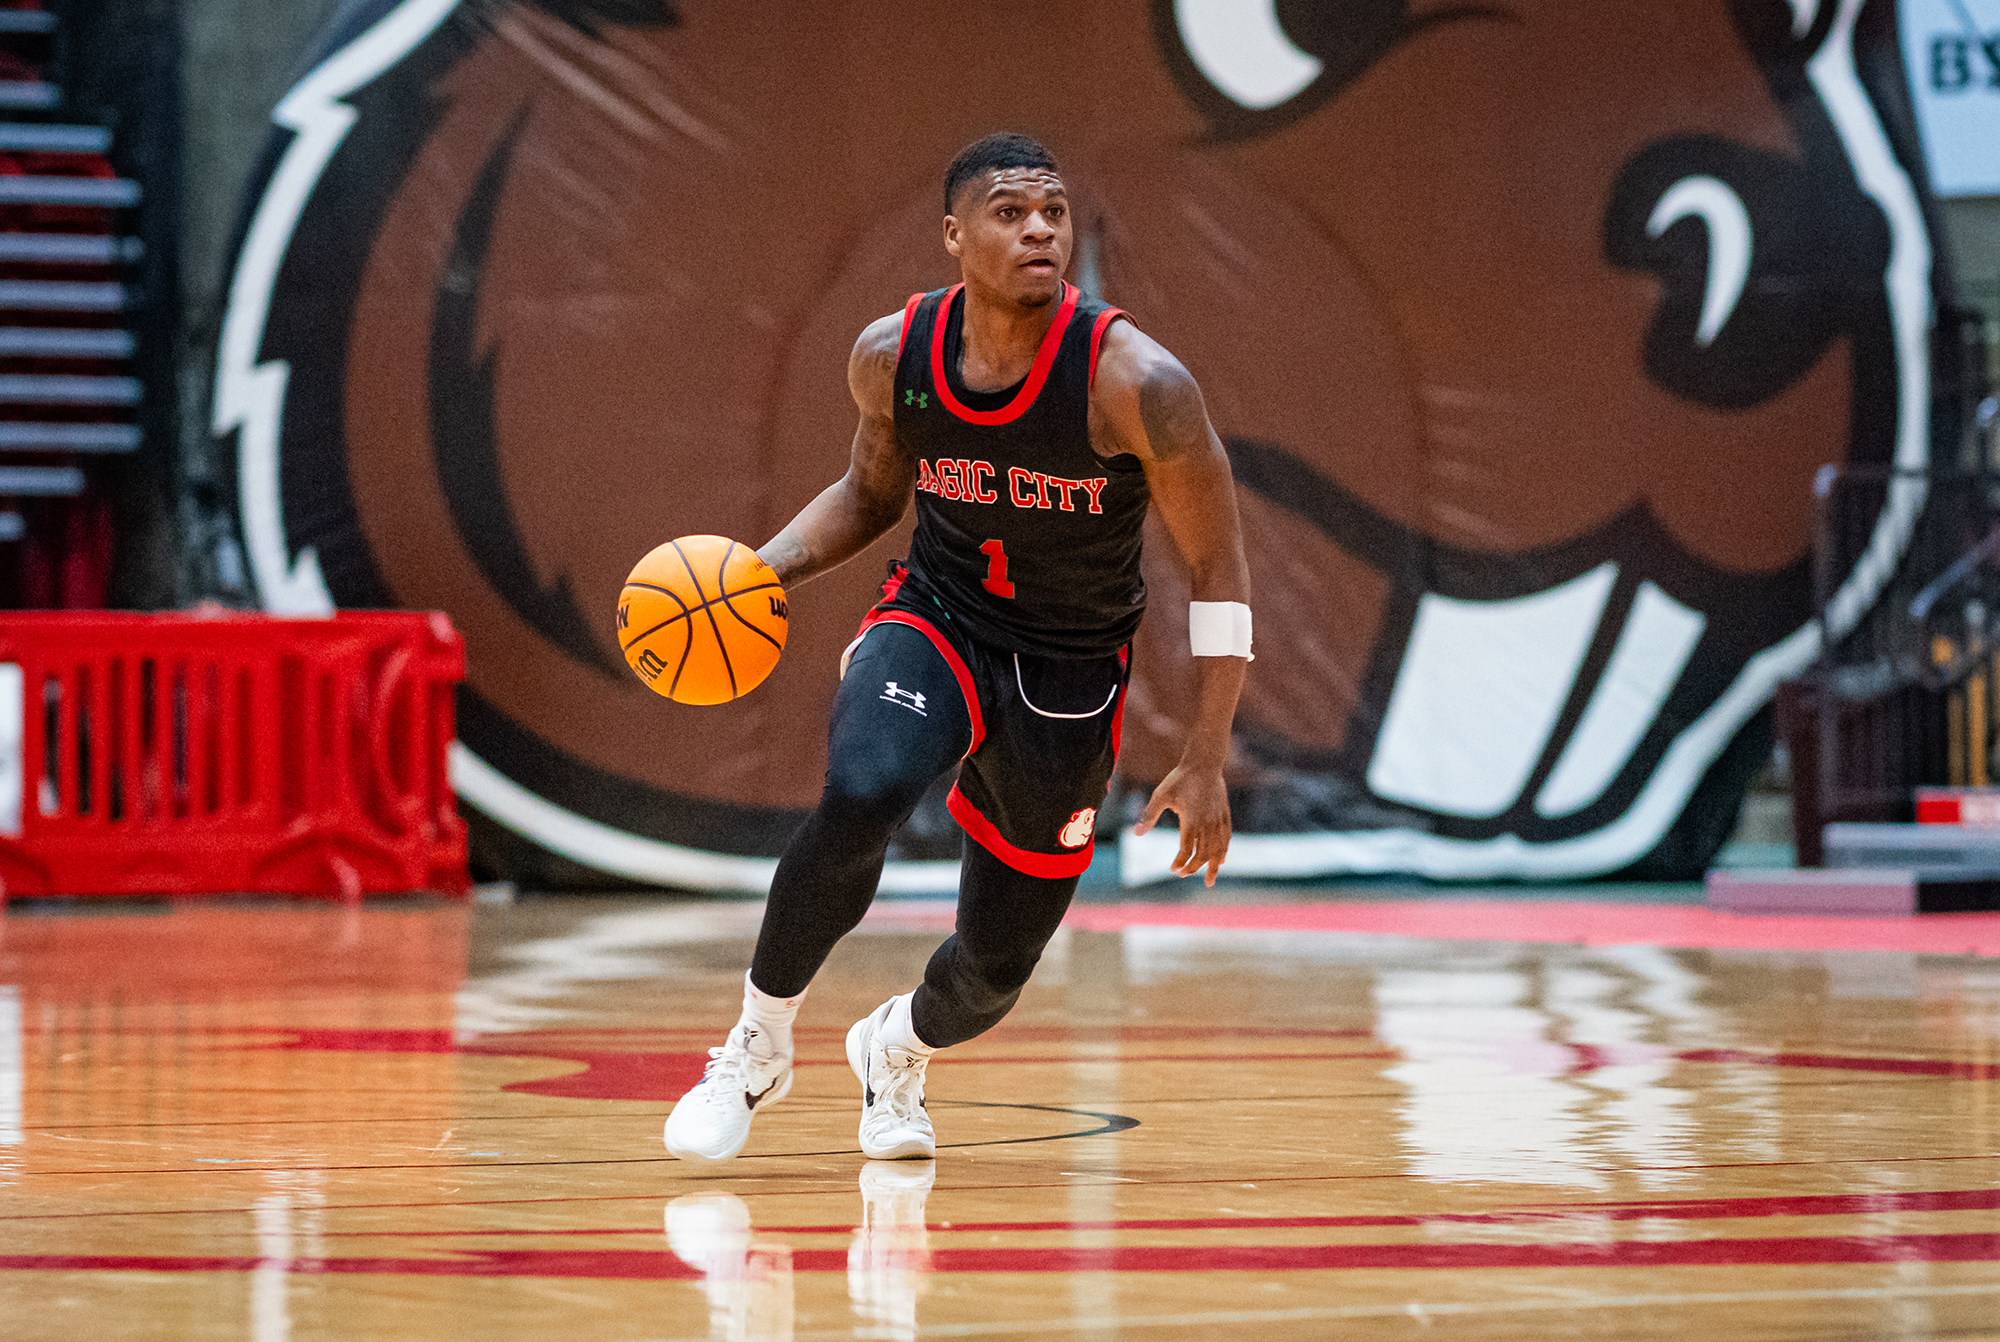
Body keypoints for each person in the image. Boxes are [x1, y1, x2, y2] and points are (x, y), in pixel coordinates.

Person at [664, 132, 1252, 1163]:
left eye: (1053, 213)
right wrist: (761, 568)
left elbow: (1217, 568)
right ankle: (753, 1044)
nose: (1037, 229)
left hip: (1068, 670)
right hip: (938, 616)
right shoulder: (894, 355)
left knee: (991, 970)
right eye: (1009, 211)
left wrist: (1205, 753)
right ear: (952, 234)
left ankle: (893, 1048)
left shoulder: (1139, 383)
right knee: (859, 790)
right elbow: (867, 496)